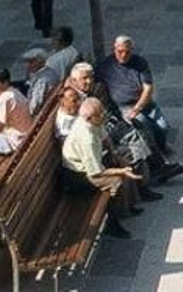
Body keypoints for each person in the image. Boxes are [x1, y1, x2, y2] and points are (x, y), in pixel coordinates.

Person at [60, 98, 141, 239]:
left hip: (93, 163)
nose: (104, 116)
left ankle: (127, 206)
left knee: (124, 161)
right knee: (116, 181)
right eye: (100, 115)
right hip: (78, 175)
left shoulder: (94, 121)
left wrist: (115, 154)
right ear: (90, 118)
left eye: (103, 112)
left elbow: (105, 137)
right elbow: (96, 172)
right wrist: (121, 171)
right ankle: (113, 223)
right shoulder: (87, 139)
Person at [96, 35, 172, 155]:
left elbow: (148, 88)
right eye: (120, 51)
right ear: (114, 49)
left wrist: (137, 108)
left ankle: (162, 145)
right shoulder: (106, 66)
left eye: (127, 52)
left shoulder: (140, 63)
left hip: (144, 103)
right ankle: (156, 157)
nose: (123, 55)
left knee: (163, 127)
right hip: (124, 107)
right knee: (144, 124)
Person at [19, 47, 60, 113]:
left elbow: (35, 106)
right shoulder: (50, 72)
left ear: (40, 61)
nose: (28, 65)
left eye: (31, 62)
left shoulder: (43, 80)